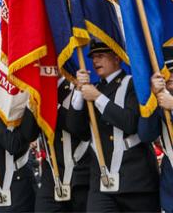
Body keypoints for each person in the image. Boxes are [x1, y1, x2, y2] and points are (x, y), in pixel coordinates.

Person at [67, 41, 160, 212]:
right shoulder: (94, 88)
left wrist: (98, 98)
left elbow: (130, 123)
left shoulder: (133, 84)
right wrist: (79, 92)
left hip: (135, 180)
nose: (95, 61)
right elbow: (76, 129)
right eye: (93, 57)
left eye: (101, 56)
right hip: (101, 181)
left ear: (116, 58)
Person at [35, 77, 91, 212]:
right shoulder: (37, 93)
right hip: (52, 176)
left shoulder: (76, 89)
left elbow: (81, 130)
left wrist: (51, 109)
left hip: (80, 174)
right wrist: (31, 100)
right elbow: (27, 134)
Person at [139, 45, 173, 213]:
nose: (170, 77)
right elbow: (146, 134)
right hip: (170, 187)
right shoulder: (161, 103)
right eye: (167, 73)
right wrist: (153, 97)